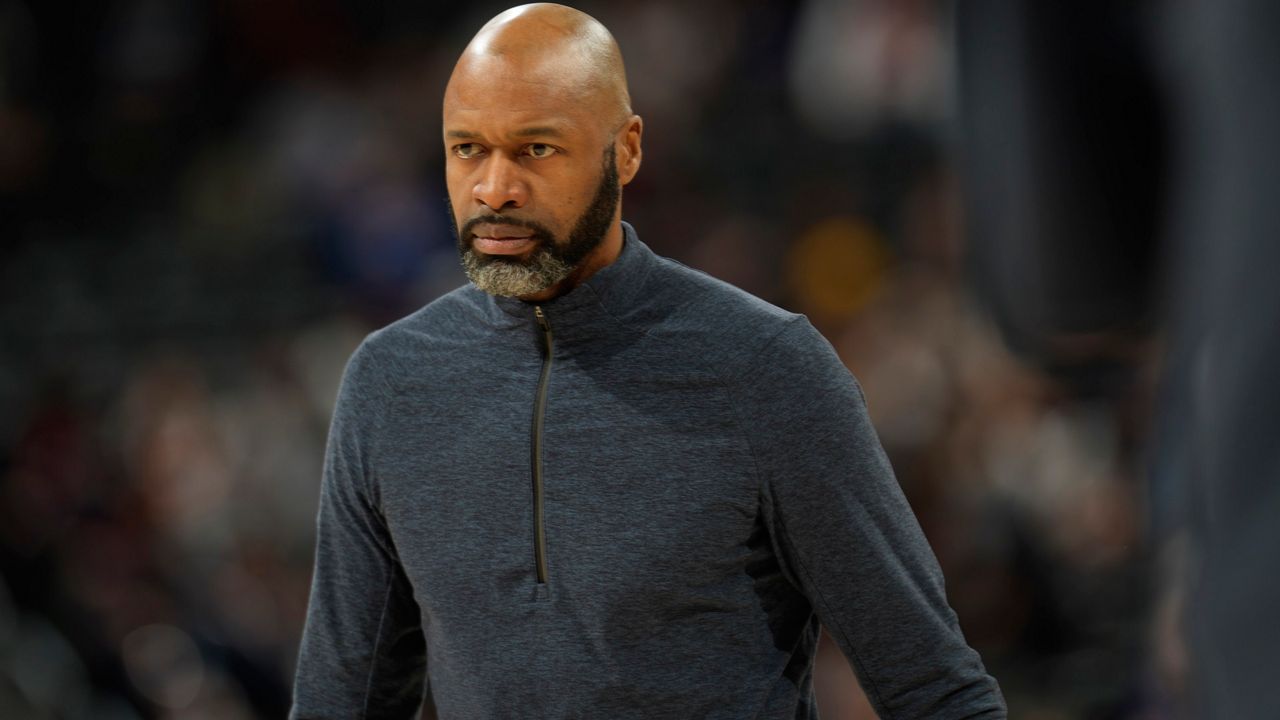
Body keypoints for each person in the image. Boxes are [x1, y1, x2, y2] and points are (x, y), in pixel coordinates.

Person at [290, 4, 1005, 718]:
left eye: (537, 148)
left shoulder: (764, 367)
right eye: (468, 148)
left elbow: (934, 690)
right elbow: (339, 704)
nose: (495, 188)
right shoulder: (390, 382)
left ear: (626, 150)